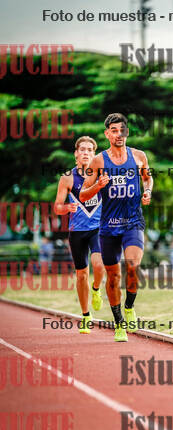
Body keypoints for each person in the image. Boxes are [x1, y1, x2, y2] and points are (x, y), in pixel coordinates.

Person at [80, 113, 153, 342]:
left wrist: (147, 191)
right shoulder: (98, 161)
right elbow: (83, 194)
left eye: (122, 130)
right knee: (113, 276)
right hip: (109, 226)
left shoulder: (139, 156)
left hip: (133, 222)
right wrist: (98, 186)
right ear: (107, 134)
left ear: (126, 132)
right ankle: (119, 323)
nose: (119, 134)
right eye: (114, 130)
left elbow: (147, 178)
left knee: (133, 266)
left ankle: (129, 306)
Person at [55, 136, 104, 333]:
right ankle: (85, 315)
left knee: (99, 264)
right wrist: (67, 207)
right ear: (76, 153)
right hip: (77, 232)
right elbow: (57, 207)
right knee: (81, 274)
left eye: (90, 150)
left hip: (98, 228)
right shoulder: (67, 178)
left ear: (94, 154)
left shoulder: (101, 175)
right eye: (82, 149)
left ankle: (96, 288)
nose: (86, 153)